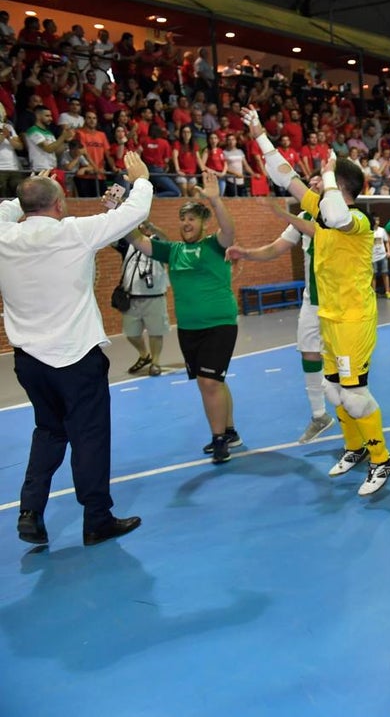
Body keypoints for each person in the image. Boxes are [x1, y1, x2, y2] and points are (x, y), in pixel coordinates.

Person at [247, 108, 390, 496]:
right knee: (333, 391)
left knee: (355, 394)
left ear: (339, 185)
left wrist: (329, 171)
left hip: (353, 321)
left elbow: (332, 212)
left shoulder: (359, 221)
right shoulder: (322, 210)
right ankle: (355, 448)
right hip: (329, 316)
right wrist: (261, 136)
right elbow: (289, 178)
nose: (315, 187)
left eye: (326, 181)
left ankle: (382, 458)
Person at [1, 156, 152, 547]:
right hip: (75, 358)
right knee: (89, 436)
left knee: (49, 431)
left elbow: (7, 210)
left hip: (29, 362)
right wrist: (142, 179)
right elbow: (137, 210)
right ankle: (97, 519)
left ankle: (30, 510)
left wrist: (24, 196)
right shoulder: (73, 232)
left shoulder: (3, 235)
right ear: (60, 204)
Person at [127, 169, 243, 463]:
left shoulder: (215, 245)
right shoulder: (173, 250)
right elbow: (139, 241)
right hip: (189, 328)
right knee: (214, 380)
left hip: (220, 324)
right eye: (183, 219)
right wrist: (120, 213)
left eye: (192, 218)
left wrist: (215, 201)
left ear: (204, 223)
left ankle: (219, 440)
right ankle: (229, 431)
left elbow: (229, 231)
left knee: (208, 382)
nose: (186, 223)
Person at [225, 190, 337, 445]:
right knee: (309, 352)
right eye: (312, 181)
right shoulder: (304, 216)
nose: (313, 184)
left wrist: (279, 211)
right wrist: (246, 253)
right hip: (313, 301)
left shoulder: (340, 215)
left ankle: (356, 426)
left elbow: (317, 231)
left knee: (342, 363)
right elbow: (276, 248)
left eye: (320, 180)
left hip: (341, 301)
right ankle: (319, 415)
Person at [113, 219, 170, 377]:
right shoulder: (127, 244)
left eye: (146, 225)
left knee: (156, 332)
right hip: (132, 297)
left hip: (155, 296)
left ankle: (156, 362)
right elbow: (112, 240)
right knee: (131, 333)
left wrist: (154, 228)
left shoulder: (158, 243)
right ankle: (145, 354)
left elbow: (167, 239)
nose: (143, 227)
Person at [371, 215, 390, 298]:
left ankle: (387, 291)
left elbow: (386, 241)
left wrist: (388, 251)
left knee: (385, 273)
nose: (377, 221)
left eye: (378, 220)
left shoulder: (382, 230)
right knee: (373, 275)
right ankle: (373, 293)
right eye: (375, 220)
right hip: (373, 256)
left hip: (382, 255)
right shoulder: (369, 231)